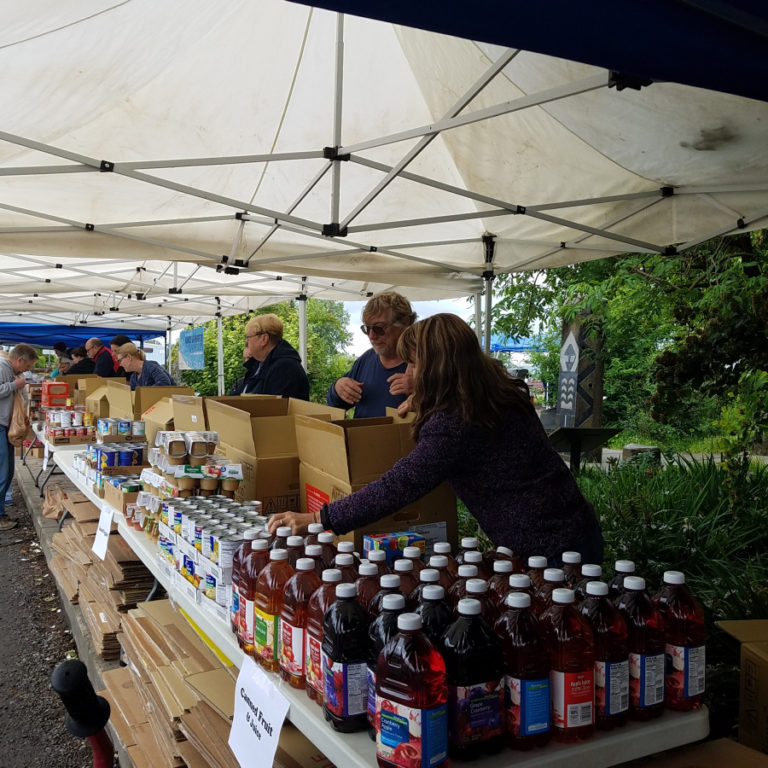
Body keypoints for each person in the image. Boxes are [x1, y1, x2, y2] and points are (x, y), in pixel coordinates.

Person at [269, 313, 603, 565]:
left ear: (438, 366)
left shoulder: (456, 422)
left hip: (550, 551)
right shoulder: (499, 392)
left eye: (413, 363)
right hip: (574, 529)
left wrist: (318, 518)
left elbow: (400, 485)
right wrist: (427, 399)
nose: (408, 373)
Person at [326, 291, 416, 417]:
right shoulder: (366, 359)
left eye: (379, 328)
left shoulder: (424, 363)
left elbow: (448, 409)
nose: (371, 336)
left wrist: (419, 390)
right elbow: (336, 405)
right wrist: (338, 388)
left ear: (405, 323)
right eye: (367, 329)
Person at [0, 344, 39, 531]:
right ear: (20, 360)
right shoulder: (2, 367)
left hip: (5, 426)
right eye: (28, 365)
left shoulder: (13, 372)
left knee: (7, 472)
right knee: (3, 471)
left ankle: (1, 513)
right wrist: (14, 385)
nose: (28, 370)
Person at [240, 314, 309, 400]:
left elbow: (275, 409)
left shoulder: (285, 368)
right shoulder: (259, 363)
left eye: (248, 337)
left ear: (264, 339)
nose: (246, 341)